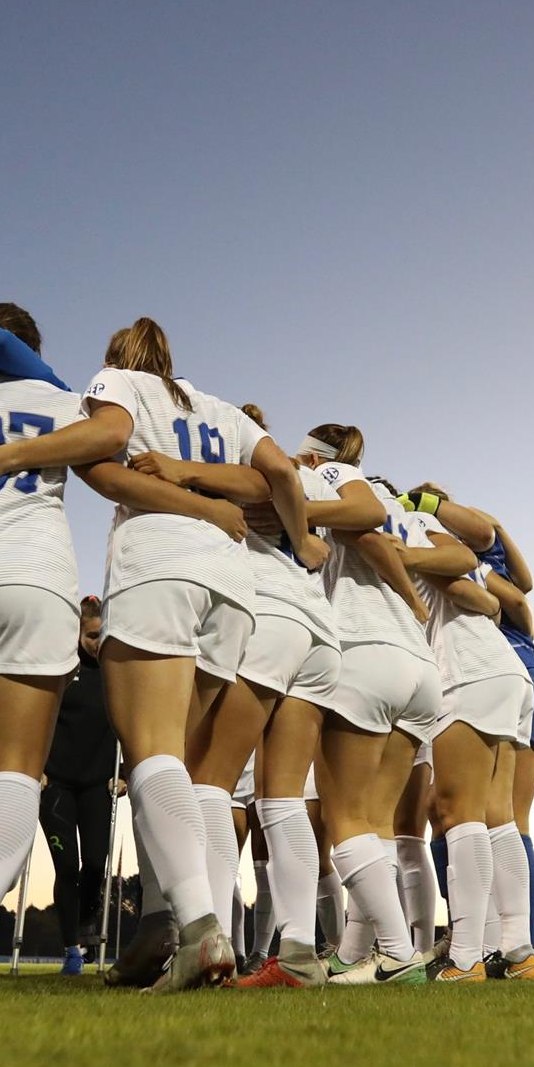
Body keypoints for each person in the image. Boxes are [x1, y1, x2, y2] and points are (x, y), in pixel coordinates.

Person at [70, 318, 315, 993]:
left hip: (160, 567)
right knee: (175, 763)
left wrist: (191, 505)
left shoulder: (116, 384)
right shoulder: (223, 410)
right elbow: (279, 477)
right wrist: (303, 541)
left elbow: (109, 467)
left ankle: (200, 930)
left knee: (150, 754)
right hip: (234, 588)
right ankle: (175, 924)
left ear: (116, 362)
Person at [124, 404, 383, 989]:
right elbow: (364, 509)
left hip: (269, 619)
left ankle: (209, 949)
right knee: (282, 798)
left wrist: (182, 471)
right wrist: (301, 525)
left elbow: (270, 483)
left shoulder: (271, 472)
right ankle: (296, 956)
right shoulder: (310, 481)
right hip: (320, 634)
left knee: (208, 781)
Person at [234, 425, 429, 986]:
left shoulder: (329, 476)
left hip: (367, 652)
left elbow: (364, 521)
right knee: (377, 826)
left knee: (343, 819)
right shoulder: (396, 502)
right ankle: (358, 952)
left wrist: (294, 504)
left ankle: (396, 954)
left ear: (318, 453)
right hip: (418, 665)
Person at [392, 488, 534, 982]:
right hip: (507, 672)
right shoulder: (435, 537)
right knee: (499, 815)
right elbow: (505, 595)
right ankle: (519, 950)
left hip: (468, 673)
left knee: (458, 813)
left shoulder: (406, 532)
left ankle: (467, 956)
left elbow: (457, 578)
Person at [475, 518, 534, 969]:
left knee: (505, 820)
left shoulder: (478, 568)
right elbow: (525, 588)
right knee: (480, 820)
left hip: (512, 681)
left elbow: (521, 598)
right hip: (513, 682)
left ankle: (521, 945)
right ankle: (502, 943)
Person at [40, 596, 119, 975]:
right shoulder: (59, 668)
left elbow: (131, 724)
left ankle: (89, 920)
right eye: (90, 635)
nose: (96, 642)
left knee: (95, 864)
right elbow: (39, 719)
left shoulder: (116, 674)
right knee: (66, 865)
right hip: (55, 782)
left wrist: (128, 771)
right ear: (77, 633)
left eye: (102, 635)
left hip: (97, 784)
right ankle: (72, 948)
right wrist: (36, 767)